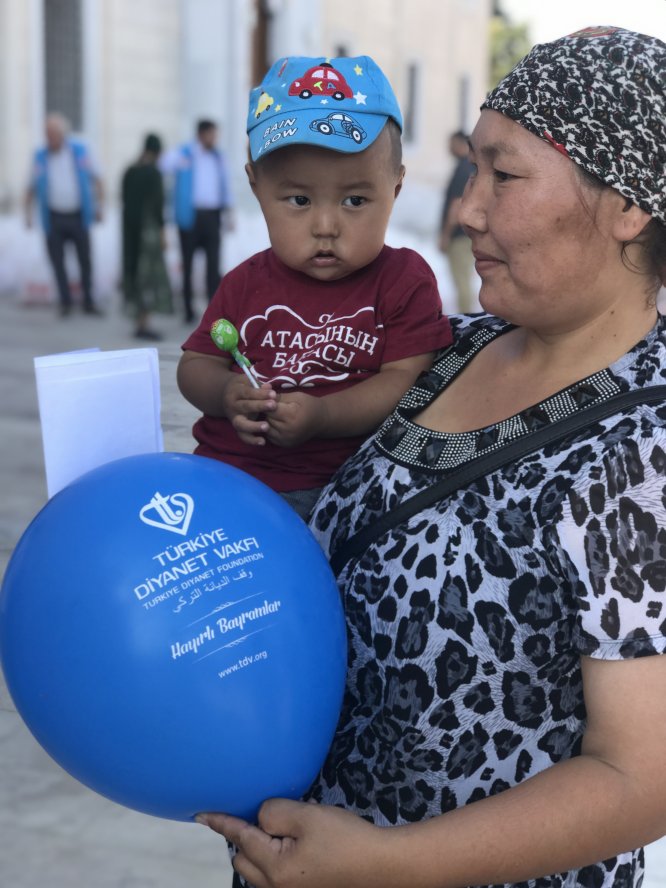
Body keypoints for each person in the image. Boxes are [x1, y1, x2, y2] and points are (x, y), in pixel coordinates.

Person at [196, 27, 666, 888]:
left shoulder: (643, 455)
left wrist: (387, 865)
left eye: (506, 174)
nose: (466, 208)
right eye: (472, 172)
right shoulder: (444, 349)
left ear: (630, 206)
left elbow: (641, 778)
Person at [177, 55, 452, 520]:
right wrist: (226, 393)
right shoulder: (244, 283)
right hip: (227, 476)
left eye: (355, 200)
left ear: (396, 188)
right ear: (257, 187)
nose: (326, 226)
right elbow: (196, 364)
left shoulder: (403, 280)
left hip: (340, 491)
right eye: (299, 200)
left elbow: (403, 381)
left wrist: (322, 418)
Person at [24, 112, 104, 316]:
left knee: (85, 259)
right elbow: (30, 187)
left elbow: (98, 178)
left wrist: (99, 206)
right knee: (57, 262)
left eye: (52, 133)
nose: (49, 138)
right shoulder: (40, 156)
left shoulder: (80, 151)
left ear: (62, 133)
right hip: (54, 216)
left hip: (78, 215)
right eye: (46, 134)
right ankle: (65, 302)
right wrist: (28, 214)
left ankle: (88, 301)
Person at [161, 119, 234, 323]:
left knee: (213, 264)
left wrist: (230, 214)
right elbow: (164, 165)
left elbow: (225, 186)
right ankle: (187, 309)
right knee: (188, 264)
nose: (214, 139)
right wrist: (183, 152)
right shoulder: (186, 154)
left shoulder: (218, 157)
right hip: (190, 216)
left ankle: (213, 310)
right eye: (211, 134)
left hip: (212, 215)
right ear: (201, 134)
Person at [121, 133, 173, 340]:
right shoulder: (154, 174)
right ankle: (143, 322)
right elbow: (158, 207)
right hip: (147, 233)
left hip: (129, 232)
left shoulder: (129, 171)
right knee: (148, 277)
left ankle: (136, 318)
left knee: (133, 272)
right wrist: (162, 234)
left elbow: (123, 199)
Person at [438, 129, 476, 312]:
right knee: (464, 278)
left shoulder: (463, 169)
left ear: (461, 144)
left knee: (461, 279)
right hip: (465, 233)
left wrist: (445, 235)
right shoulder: (470, 168)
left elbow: (456, 204)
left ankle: (467, 320)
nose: (449, 148)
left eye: (451, 143)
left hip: (459, 235)